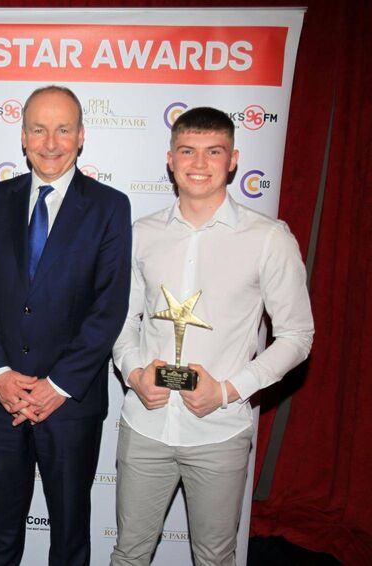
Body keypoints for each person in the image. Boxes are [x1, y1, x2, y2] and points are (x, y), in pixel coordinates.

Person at [110, 107, 314, 565]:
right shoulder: (141, 234)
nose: (199, 164)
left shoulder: (269, 238)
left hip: (220, 432)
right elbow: (120, 322)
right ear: (170, 159)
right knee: (129, 553)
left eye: (213, 151)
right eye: (188, 151)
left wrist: (227, 391)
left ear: (233, 159)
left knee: (215, 558)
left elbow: (298, 335)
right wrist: (134, 372)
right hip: (145, 425)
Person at [0, 85, 132, 566]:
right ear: (23, 136)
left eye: (63, 129)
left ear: (81, 136)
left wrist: (58, 385)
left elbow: (109, 307)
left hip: (70, 403)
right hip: (4, 398)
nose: (51, 142)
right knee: (1, 529)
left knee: (69, 534)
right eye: (39, 129)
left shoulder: (109, 207)